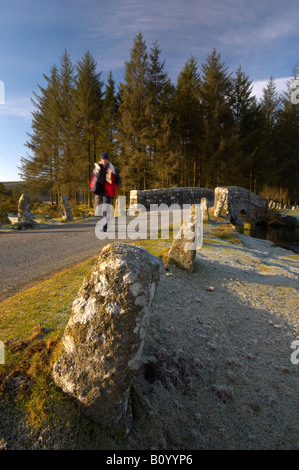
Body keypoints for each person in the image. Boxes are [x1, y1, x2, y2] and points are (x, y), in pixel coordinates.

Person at [91, 152, 120, 232]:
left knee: (105, 208)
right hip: (98, 191)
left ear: (107, 160)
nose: (104, 161)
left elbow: (118, 178)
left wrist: (114, 185)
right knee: (99, 209)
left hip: (107, 192)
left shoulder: (112, 168)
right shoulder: (97, 168)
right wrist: (93, 186)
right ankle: (103, 222)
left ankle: (104, 226)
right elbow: (93, 177)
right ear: (101, 159)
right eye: (103, 159)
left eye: (105, 159)